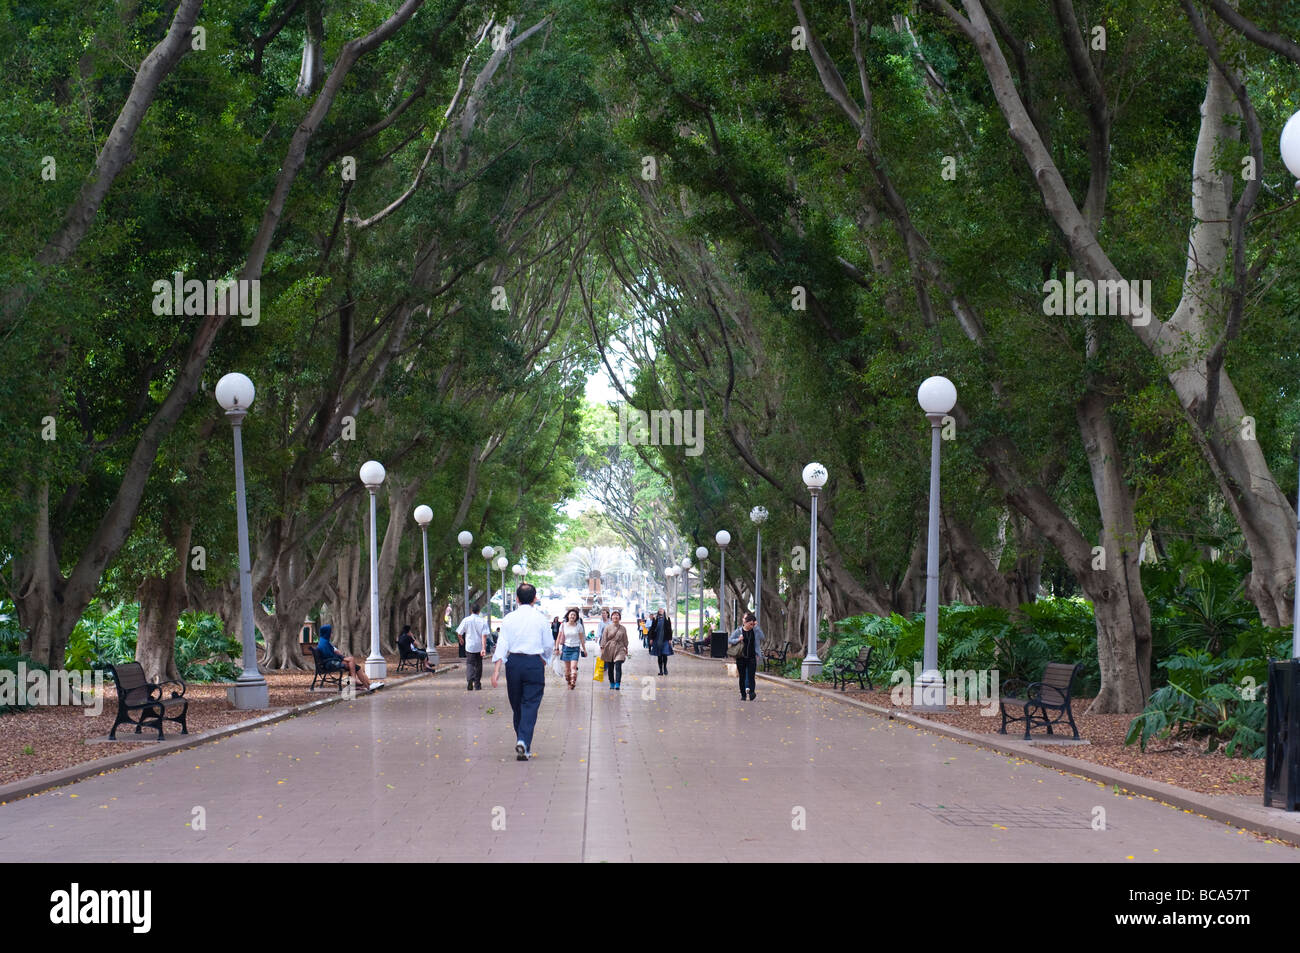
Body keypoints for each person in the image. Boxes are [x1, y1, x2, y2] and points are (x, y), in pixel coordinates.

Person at [491, 582, 553, 761]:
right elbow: (548, 644)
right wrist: (545, 659)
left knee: (517, 705)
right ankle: (523, 741)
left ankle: (523, 743)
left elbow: (502, 644)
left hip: (514, 664)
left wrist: (496, 670)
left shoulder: (509, 618)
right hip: (534, 663)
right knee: (530, 704)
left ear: (517, 599)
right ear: (535, 598)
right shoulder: (541, 618)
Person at [316, 624, 380, 692]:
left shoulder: (323, 641)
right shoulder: (324, 643)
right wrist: (341, 657)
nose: (331, 633)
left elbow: (331, 653)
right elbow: (329, 655)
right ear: (327, 632)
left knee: (355, 665)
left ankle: (364, 685)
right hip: (330, 663)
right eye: (330, 632)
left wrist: (340, 656)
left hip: (330, 661)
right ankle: (364, 685)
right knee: (354, 664)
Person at [729, 611, 763, 701]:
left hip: (752, 657)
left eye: (753, 624)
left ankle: (752, 692)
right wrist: (738, 639)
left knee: (751, 676)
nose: (751, 626)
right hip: (741, 657)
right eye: (750, 624)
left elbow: (762, 637)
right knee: (742, 676)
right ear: (745, 622)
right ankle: (743, 695)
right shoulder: (738, 631)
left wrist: (756, 627)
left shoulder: (755, 631)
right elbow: (730, 640)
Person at [456, 603, 490, 691]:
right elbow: (484, 636)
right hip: (479, 646)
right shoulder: (483, 621)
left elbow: (459, 633)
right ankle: (477, 684)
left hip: (470, 646)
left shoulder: (466, 620)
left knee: (470, 664)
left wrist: (461, 639)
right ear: (479, 611)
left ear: (471, 610)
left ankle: (470, 679)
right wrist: (483, 648)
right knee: (478, 665)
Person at [554, 608, 587, 690]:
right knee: (567, 669)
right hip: (565, 648)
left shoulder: (579, 626)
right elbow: (558, 637)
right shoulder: (563, 625)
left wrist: (584, 649)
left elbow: (581, 639)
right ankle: (569, 681)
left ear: (576, 617)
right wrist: (557, 648)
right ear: (568, 616)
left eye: (574, 615)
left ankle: (573, 683)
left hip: (575, 648)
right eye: (571, 614)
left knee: (573, 667)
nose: (573, 616)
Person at [600, 609, 629, 690]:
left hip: (619, 648)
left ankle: (617, 683)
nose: (615, 616)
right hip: (609, 648)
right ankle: (612, 682)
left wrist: (626, 648)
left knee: (618, 665)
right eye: (614, 615)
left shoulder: (623, 628)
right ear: (611, 617)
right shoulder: (607, 627)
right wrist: (602, 648)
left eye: (617, 615)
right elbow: (604, 638)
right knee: (610, 667)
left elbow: (625, 638)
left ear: (619, 617)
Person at [648, 607, 672, 676]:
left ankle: (665, 668)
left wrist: (670, 639)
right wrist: (651, 639)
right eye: (659, 609)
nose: (660, 610)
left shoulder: (667, 619)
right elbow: (652, 629)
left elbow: (669, 629)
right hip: (657, 639)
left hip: (665, 639)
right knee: (659, 655)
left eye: (662, 609)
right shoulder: (655, 619)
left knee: (664, 654)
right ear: (658, 611)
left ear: (664, 611)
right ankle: (660, 670)